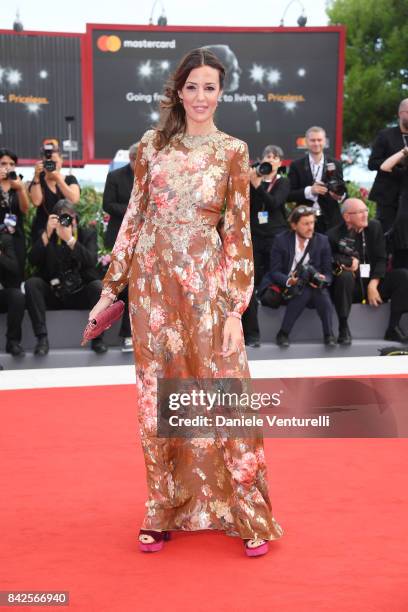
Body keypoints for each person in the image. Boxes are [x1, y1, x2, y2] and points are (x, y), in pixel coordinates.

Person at [89, 48, 283, 557]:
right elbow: (132, 220)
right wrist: (111, 291)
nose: (200, 97)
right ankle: (163, 505)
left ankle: (246, 511)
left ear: (221, 93)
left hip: (206, 284)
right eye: (192, 86)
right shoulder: (150, 147)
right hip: (153, 289)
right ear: (179, 91)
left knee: (223, 389)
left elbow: (238, 234)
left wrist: (236, 308)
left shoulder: (233, 151)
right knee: (160, 395)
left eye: (210, 87)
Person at [25, 200, 107, 356]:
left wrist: (70, 240)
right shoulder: (45, 234)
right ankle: (42, 339)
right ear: (53, 219)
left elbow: (91, 261)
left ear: (75, 219)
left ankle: (97, 339)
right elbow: (32, 260)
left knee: (97, 286)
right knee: (32, 284)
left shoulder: (86, 234)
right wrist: (47, 234)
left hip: (78, 292)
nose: (66, 222)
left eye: (69, 218)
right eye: (61, 218)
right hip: (53, 292)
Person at [327, 198, 408, 344]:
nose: (365, 215)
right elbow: (330, 261)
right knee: (344, 277)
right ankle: (343, 327)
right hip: (351, 288)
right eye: (360, 212)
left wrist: (373, 284)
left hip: (374, 284)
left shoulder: (374, 227)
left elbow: (382, 258)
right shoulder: (334, 235)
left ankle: (393, 328)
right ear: (347, 217)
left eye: (366, 210)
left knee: (403, 276)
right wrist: (345, 264)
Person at [259, 206, 335, 347]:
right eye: (306, 224)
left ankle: (285, 333)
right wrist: (289, 281)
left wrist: (323, 279)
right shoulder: (281, 240)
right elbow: (274, 271)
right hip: (286, 286)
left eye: (312, 223)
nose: (310, 227)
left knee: (316, 291)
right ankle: (328, 335)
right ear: (294, 225)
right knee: (305, 291)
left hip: (311, 287)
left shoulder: (322, 241)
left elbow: (329, 273)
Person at [242, 145, 289, 347]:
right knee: (254, 273)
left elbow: (274, 204)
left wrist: (259, 186)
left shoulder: (283, 182)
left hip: (275, 235)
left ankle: (270, 298)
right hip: (254, 233)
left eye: (275, 156)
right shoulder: (251, 179)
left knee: (272, 272)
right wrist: (250, 182)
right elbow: (245, 205)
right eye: (267, 156)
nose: (270, 159)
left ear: (279, 162)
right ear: (261, 160)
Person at [102, 143, 139, 352]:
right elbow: (107, 204)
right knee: (120, 286)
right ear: (133, 159)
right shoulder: (115, 176)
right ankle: (117, 334)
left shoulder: (151, 177)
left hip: (143, 240)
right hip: (119, 238)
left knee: (137, 287)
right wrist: (132, 211)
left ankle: (130, 333)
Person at [287, 126, 345, 234]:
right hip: (304, 220)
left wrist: (339, 195)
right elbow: (289, 195)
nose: (316, 143)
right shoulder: (296, 165)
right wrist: (310, 191)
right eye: (313, 140)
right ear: (306, 142)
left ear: (325, 141)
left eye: (319, 140)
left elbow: (343, 190)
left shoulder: (336, 164)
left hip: (331, 220)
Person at [368, 98, 408, 234]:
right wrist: (396, 163)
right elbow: (372, 163)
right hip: (387, 196)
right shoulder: (385, 135)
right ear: (401, 113)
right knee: (384, 234)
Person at [28, 139, 80, 242]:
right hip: (43, 229)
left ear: (61, 161)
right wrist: (36, 177)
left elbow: (74, 199)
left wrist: (58, 178)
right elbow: (36, 201)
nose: (52, 165)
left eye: (55, 162)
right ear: (43, 163)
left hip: (66, 227)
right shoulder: (38, 179)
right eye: (49, 162)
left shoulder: (70, 179)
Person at [0, 148, 30, 281]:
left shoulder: (19, 183)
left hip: (16, 237)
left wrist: (20, 189)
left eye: (12, 164)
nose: (8, 167)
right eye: (3, 164)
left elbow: (25, 209)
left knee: (16, 274)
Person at [379, 146, 408, 269]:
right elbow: (385, 167)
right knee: (402, 270)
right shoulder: (405, 174)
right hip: (404, 231)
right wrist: (404, 151)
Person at [0, 230, 26, 356]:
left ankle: (13, 342)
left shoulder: (5, 240)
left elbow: (15, 268)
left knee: (17, 297)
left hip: (2, 293)